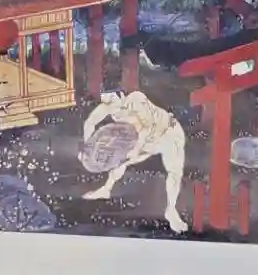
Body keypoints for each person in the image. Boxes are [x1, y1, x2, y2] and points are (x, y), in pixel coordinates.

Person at [80, 90, 188, 234]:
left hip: (168, 133)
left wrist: (136, 150)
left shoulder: (136, 99)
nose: (109, 105)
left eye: (111, 100)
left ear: (121, 95)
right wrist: (88, 148)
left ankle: (171, 210)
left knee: (174, 172)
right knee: (121, 161)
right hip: (146, 141)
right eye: (106, 101)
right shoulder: (108, 106)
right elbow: (90, 123)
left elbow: (147, 128)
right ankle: (106, 189)